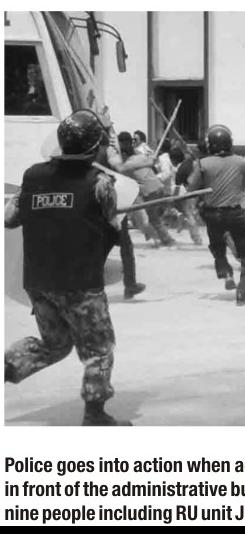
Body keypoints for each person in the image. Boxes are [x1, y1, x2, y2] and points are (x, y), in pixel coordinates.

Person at [4, 109, 130, 426]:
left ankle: (6, 368)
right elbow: (112, 227)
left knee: (55, 345)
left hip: (39, 280)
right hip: (80, 283)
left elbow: (9, 219)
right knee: (98, 350)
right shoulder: (101, 183)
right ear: (95, 146)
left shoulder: (32, 175)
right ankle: (95, 415)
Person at [187, 124, 245, 305]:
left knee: (218, 247)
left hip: (211, 215)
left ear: (210, 145)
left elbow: (191, 187)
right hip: (235, 214)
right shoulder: (241, 162)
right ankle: (242, 294)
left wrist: (201, 171)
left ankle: (225, 272)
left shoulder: (203, 163)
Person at [96, 131, 146, 299]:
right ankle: (130, 285)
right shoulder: (108, 152)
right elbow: (120, 168)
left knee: (100, 247)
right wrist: (145, 161)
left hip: (94, 204)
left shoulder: (85, 156)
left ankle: (92, 286)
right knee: (125, 245)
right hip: (112, 203)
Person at [116, 131, 176, 247]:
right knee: (152, 217)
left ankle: (167, 241)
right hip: (157, 187)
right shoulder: (140, 156)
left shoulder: (128, 163)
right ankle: (159, 238)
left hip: (150, 190)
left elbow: (121, 171)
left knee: (153, 218)